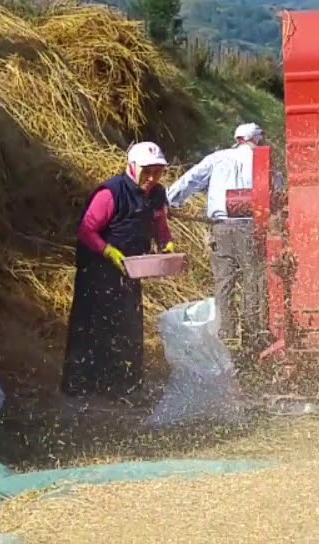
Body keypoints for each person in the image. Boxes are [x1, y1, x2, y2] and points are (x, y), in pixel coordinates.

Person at [61, 141, 176, 408]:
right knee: (92, 327)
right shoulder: (111, 192)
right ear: (132, 167)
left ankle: (124, 387)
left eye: (157, 172)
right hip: (98, 270)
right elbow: (87, 230)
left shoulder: (157, 194)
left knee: (128, 328)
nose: (151, 178)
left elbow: (159, 222)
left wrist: (165, 243)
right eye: (147, 171)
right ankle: (81, 389)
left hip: (130, 270)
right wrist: (108, 251)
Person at [166, 123, 270, 362]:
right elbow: (276, 189)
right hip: (250, 228)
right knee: (253, 279)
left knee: (224, 282)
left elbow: (190, 180)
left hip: (220, 228)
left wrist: (169, 201)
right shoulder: (262, 159)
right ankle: (253, 333)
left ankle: (227, 333)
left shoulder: (217, 157)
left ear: (237, 138)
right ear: (256, 139)